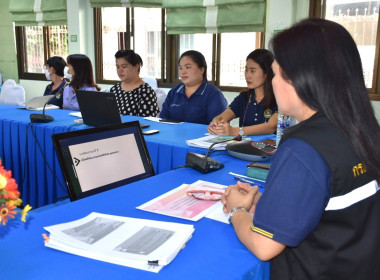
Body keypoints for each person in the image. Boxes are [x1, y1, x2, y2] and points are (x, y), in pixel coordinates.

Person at [222, 18, 380, 280]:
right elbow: (330, 203)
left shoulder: (303, 147)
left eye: (276, 73)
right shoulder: (362, 128)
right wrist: (267, 203)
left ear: (301, 79)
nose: (273, 83)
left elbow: (264, 246)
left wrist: (238, 210)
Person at [208, 49, 277, 136]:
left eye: (253, 71)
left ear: (267, 73)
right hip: (243, 148)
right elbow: (223, 117)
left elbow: (270, 127)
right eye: (246, 70)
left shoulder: (278, 99)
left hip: (269, 148)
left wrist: (234, 131)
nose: (247, 75)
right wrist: (216, 123)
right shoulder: (244, 97)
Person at [160, 50, 227, 125]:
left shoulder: (214, 95)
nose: (183, 72)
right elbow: (163, 120)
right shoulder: (174, 92)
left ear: (201, 70)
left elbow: (217, 128)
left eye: (188, 67)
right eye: (180, 68)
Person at [109, 50, 159, 117]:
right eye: (118, 67)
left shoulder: (146, 91)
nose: (120, 70)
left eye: (124, 66)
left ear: (136, 67)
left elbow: (146, 122)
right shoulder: (114, 89)